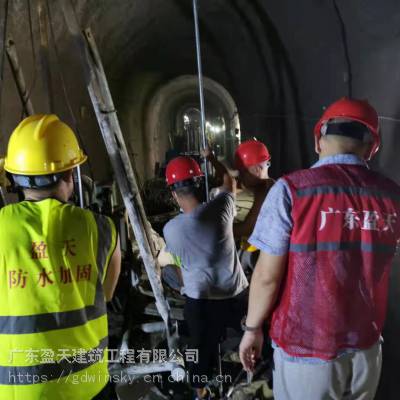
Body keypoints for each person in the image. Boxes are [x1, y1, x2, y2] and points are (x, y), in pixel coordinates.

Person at [239, 97, 400, 400]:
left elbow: (266, 277)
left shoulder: (292, 190)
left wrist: (252, 329)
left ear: (318, 140)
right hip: (366, 350)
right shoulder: (392, 196)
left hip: (307, 352)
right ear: (372, 147)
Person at [0, 114, 121, 400]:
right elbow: (107, 292)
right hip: (90, 384)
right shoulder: (101, 228)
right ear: (71, 174)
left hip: (22, 390)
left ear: (15, 178)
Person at [163, 156, 248, 400]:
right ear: (200, 184)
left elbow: (178, 267)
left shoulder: (171, 229)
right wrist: (212, 157)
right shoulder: (221, 208)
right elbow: (228, 181)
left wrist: (181, 284)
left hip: (201, 303)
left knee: (199, 350)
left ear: (173, 194)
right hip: (236, 297)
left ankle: (200, 391)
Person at [205, 140, 274, 271]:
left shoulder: (267, 189)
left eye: (242, 173)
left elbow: (248, 228)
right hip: (250, 250)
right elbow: (229, 176)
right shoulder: (258, 185)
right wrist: (211, 158)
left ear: (257, 169)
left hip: (262, 256)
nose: (240, 178)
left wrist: (215, 231)